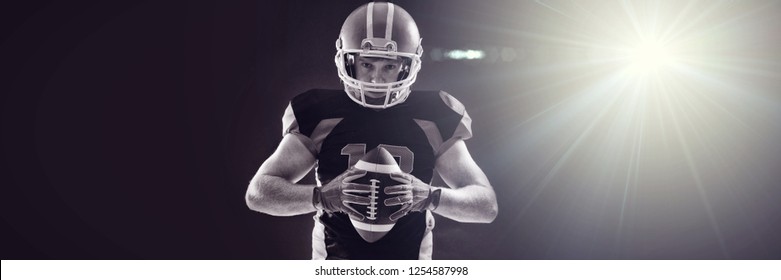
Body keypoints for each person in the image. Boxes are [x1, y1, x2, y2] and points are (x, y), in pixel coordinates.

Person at [246, 2, 497, 260]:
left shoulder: (434, 115)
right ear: (347, 60)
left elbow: (485, 205)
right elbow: (259, 193)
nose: (376, 80)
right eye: (367, 65)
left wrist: (430, 197)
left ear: (408, 65)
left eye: (388, 66)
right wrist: (322, 197)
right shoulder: (319, 112)